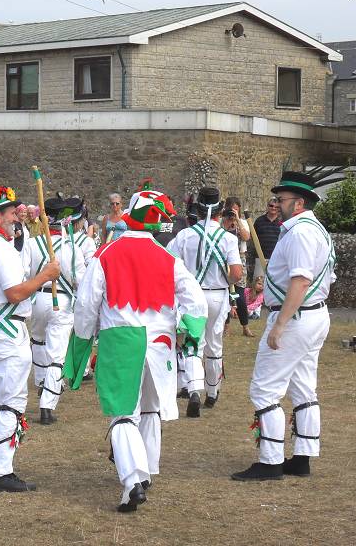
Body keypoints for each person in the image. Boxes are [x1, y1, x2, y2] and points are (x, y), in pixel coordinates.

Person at [65, 189, 207, 513]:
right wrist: (188, 330)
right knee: (149, 408)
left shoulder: (106, 254)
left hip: (121, 340)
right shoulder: (168, 258)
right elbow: (196, 302)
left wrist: (83, 341)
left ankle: (132, 482)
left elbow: (86, 306)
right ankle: (146, 472)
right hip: (160, 343)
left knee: (122, 412)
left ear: (129, 213)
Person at [232, 168, 341, 482]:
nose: (276, 204)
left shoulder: (301, 232)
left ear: (300, 202)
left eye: (281, 199)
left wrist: (279, 324)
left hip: (295, 318)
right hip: (312, 316)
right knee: (303, 386)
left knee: (265, 390)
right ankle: (303, 457)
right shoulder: (316, 230)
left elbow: (301, 280)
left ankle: (270, 462)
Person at [0, 185, 60, 493]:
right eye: (10, 213)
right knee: (12, 399)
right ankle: (0, 470)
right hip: (6, 331)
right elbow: (14, 293)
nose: (15, 218)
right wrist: (45, 276)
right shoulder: (0, 248)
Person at [167, 187, 242, 416]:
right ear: (221, 211)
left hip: (191, 297)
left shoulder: (184, 236)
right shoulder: (228, 239)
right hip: (217, 295)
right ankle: (212, 392)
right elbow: (237, 274)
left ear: (196, 211)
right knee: (214, 344)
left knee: (193, 343)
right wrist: (222, 279)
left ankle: (194, 390)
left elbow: (169, 265)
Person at [21, 195, 95, 425]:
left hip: (37, 302)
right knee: (56, 355)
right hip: (61, 304)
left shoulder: (32, 244)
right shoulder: (73, 247)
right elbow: (82, 282)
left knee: (39, 344)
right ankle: (47, 405)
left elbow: (23, 275)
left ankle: (43, 384)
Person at [223, 196, 253, 337]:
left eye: (236, 209)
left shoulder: (242, 222)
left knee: (239, 296)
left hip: (239, 258)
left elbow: (247, 237)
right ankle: (226, 326)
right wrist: (228, 223)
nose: (233, 211)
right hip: (224, 259)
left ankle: (245, 326)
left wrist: (237, 222)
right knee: (226, 294)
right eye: (231, 209)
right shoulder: (223, 222)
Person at [252, 197, 282, 279]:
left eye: (276, 207)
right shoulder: (259, 221)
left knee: (274, 282)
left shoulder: (282, 222)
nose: (273, 208)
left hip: (277, 259)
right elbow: (254, 238)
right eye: (271, 206)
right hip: (261, 257)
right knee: (258, 283)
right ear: (267, 206)